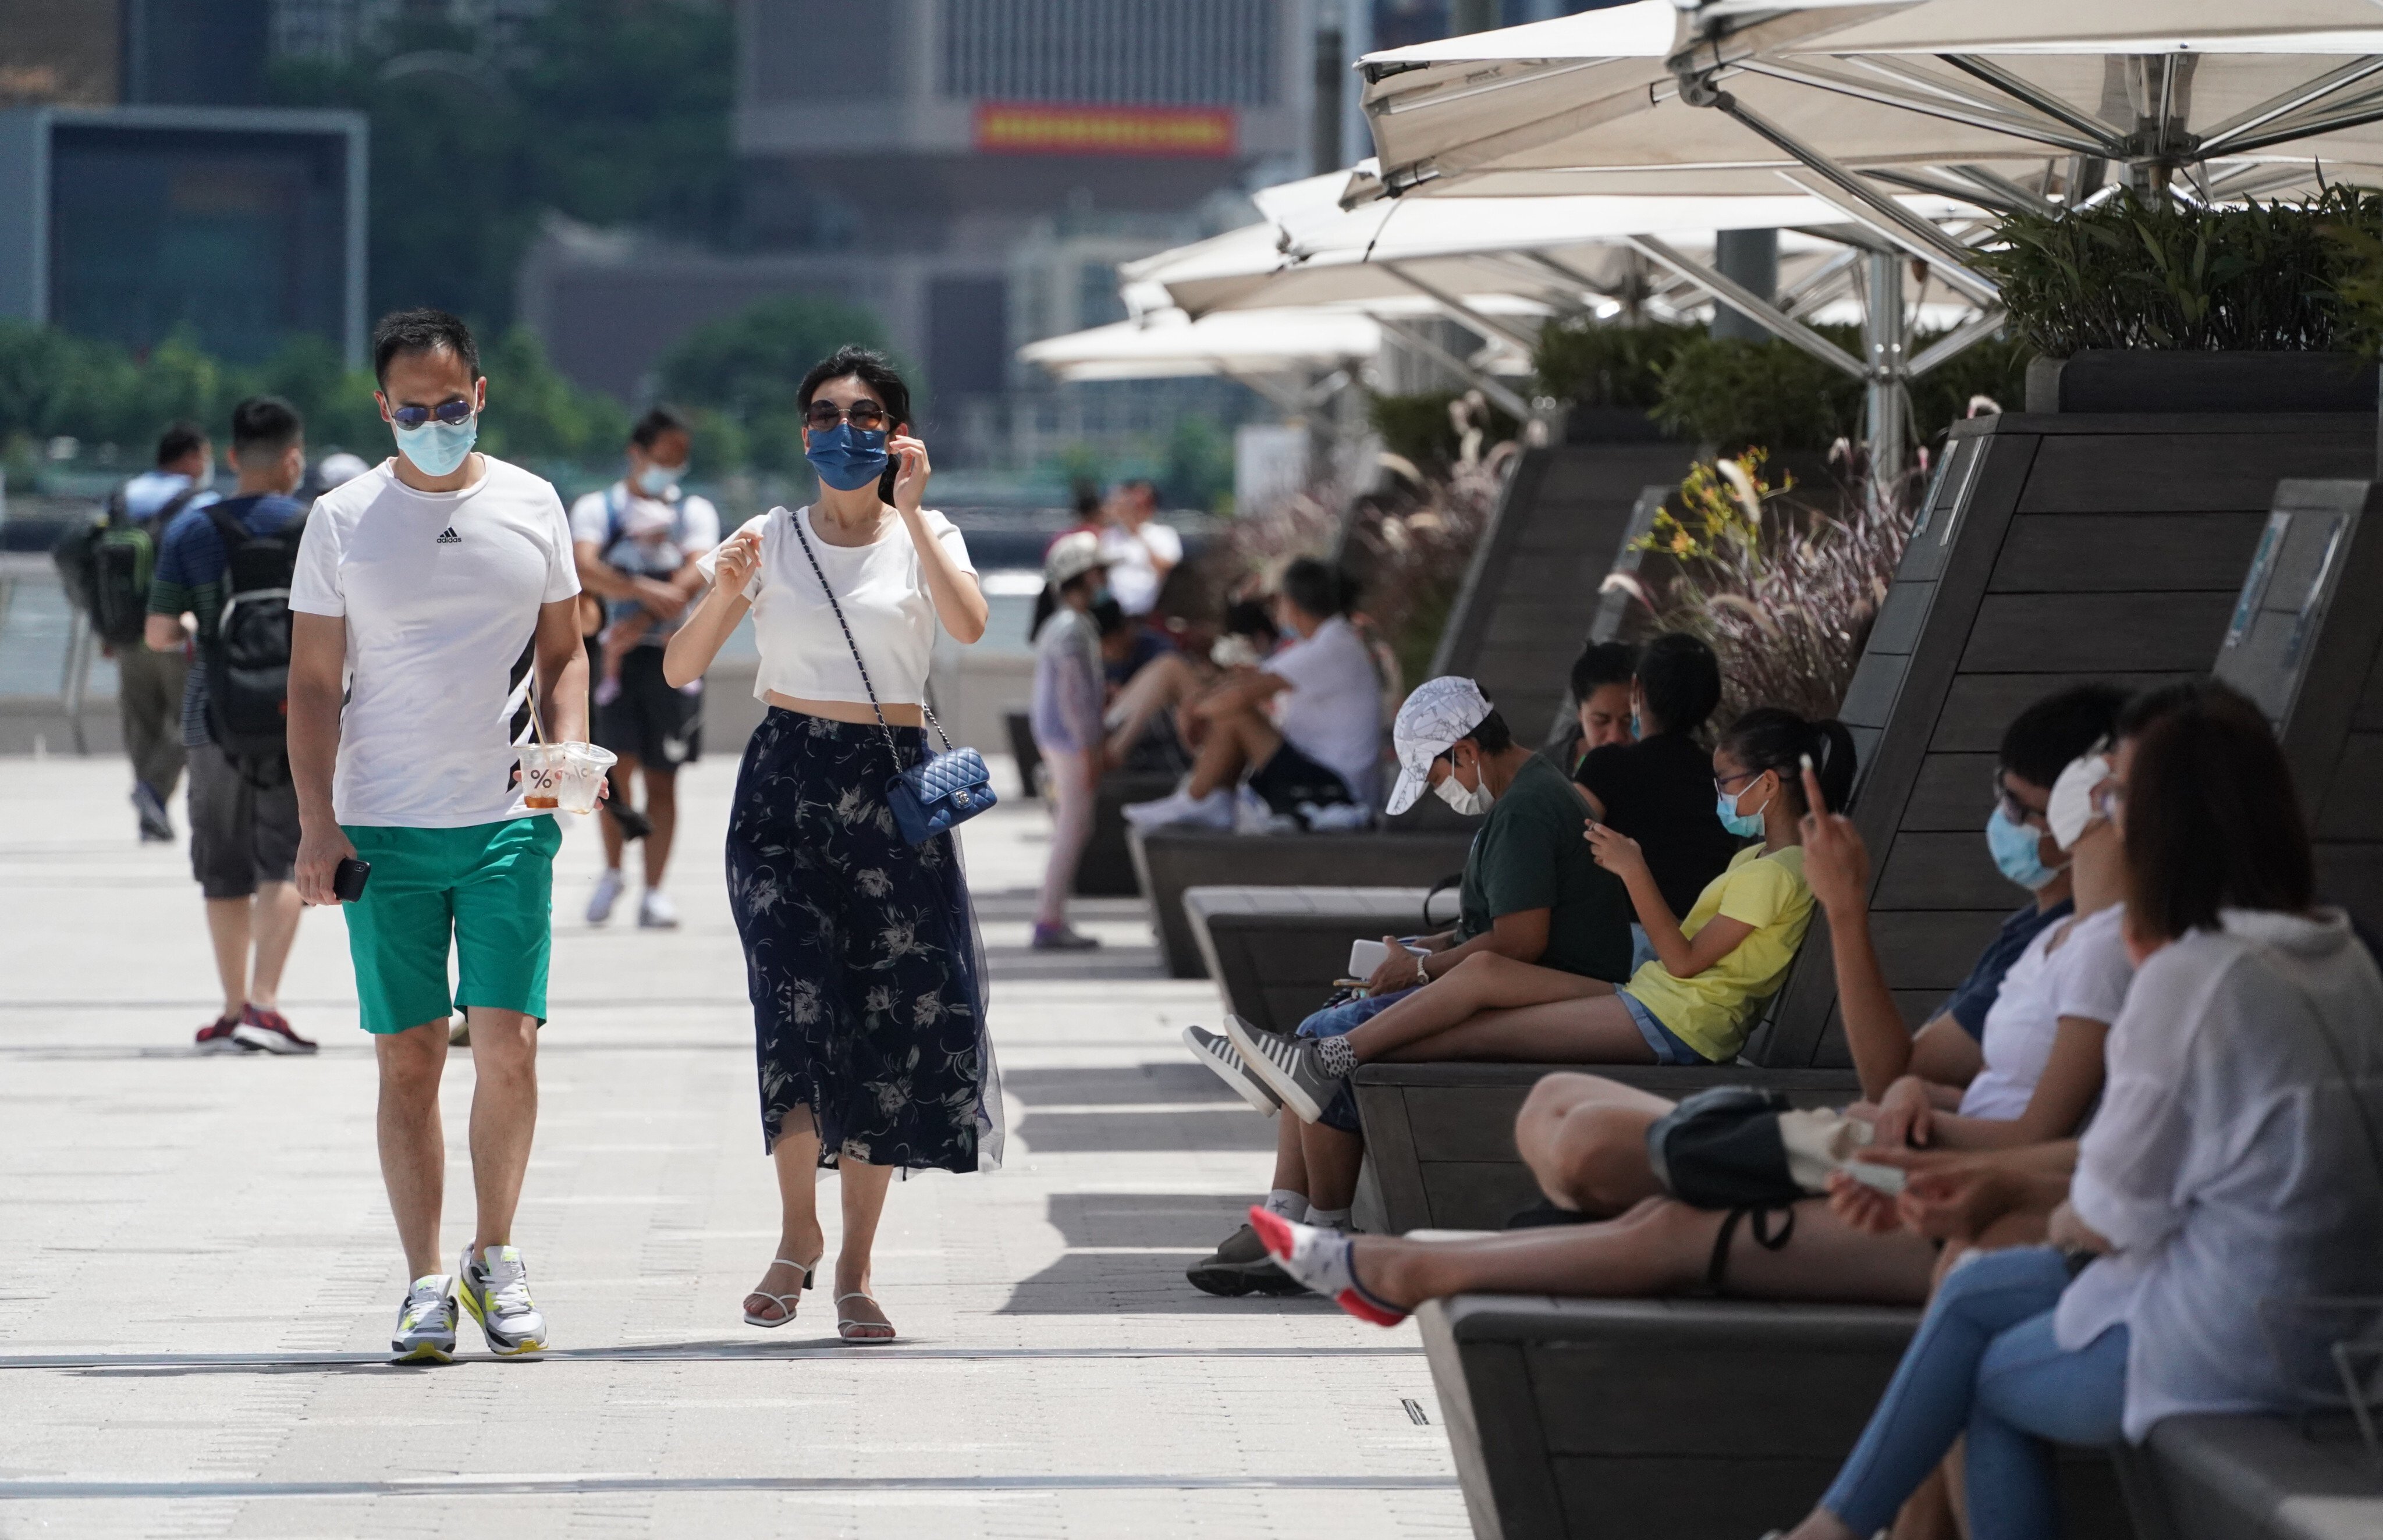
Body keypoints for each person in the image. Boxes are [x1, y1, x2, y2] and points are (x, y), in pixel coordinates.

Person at [1240, 722, 2143, 1331]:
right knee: (1543, 1095)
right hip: (1863, 1131)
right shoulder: (2044, 939)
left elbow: (1681, 963)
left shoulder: (1790, 873)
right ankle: (1340, 1077)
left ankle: (1399, 1234)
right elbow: (1904, 1070)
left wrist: (1650, 871)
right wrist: (1912, 1091)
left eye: (2027, 810)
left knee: (1631, 1174)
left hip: (1698, 1038)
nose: (2012, 827)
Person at [1776, 680, 2383, 1540]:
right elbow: (2128, 1164)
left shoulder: (2191, 978)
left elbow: (2103, 1212)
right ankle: (1827, 1532)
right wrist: (1966, 1180)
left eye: (2114, 794)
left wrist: (1988, 1189)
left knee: (1982, 1378)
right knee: (1975, 1288)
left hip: (2244, 1339)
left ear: (2168, 819)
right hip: (2336, 1322)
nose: (2100, 813)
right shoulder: (2337, 951)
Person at [665, 345, 996, 1345]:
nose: (840, 430)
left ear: (897, 433)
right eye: (823, 413)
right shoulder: (766, 536)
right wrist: (725, 590)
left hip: (892, 795)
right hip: (785, 790)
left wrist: (915, 510)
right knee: (796, 1006)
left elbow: (972, 627)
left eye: (864, 415)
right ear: (801, 429)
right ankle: (796, 1235)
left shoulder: (926, 534)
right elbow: (682, 665)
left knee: (890, 1026)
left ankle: (855, 1268)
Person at [287, 308, 589, 1364]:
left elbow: (565, 651)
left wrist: (569, 750)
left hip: (509, 819)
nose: (432, 422)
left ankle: (493, 1257)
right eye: (411, 410)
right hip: (383, 824)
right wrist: (317, 824)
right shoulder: (342, 517)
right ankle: (423, 1280)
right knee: (408, 1057)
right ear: (382, 408)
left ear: (480, 395)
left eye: (449, 406)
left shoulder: (532, 502)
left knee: (507, 1047)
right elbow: (314, 682)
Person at [1180, 677, 1632, 1294]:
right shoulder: (1525, 795)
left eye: (1437, 776)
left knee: (1326, 1039)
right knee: (1326, 1028)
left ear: (1467, 752)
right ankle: (1286, 1219)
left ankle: (1325, 1231)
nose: (1442, 791)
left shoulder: (1526, 809)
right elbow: (1495, 926)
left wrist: (1420, 969)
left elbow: (1521, 940)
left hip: (1548, 992)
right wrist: (1419, 952)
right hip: (1524, 980)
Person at [1231, 707, 1851, 1125]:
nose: (1717, 792)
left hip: (1676, 1022)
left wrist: (1634, 870)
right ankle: (1312, 1059)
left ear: (1768, 785)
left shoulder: (1777, 873)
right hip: (1653, 998)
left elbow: (1686, 961)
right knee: (1483, 979)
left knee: (1472, 1031)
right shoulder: (1760, 858)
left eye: (1725, 780)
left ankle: (1319, 1061)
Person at [144, 396, 315, 1054]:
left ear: (236, 456)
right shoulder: (314, 528)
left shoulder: (192, 530)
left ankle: (232, 1005)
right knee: (284, 858)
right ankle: (267, 1005)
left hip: (211, 717)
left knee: (223, 866)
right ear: (293, 459)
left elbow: (159, 631)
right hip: (297, 716)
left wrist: (195, 627)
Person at [569, 406, 720, 929]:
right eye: (664, 457)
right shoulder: (598, 508)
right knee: (612, 772)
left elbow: (696, 574)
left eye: (681, 459)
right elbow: (585, 566)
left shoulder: (694, 511)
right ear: (637, 453)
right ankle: (612, 870)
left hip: (670, 660)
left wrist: (644, 610)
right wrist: (639, 594)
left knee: (664, 777)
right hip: (611, 663)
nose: (673, 468)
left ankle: (655, 889)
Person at [1123, 557, 1380, 828]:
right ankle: (1210, 799)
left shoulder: (1330, 647)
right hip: (1326, 776)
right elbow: (1245, 681)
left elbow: (1239, 696)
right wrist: (1196, 702)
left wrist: (1191, 711)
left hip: (1339, 790)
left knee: (1237, 715)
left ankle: (1196, 797)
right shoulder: (1331, 641)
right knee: (1234, 715)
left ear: (1292, 604)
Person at [1573, 632, 1739, 927]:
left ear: (1636, 690)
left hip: (1620, 948)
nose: (1614, 735)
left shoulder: (1607, 767)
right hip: (1701, 943)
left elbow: (1556, 851)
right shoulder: (1725, 782)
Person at [114, 422, 219, 841]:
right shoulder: (200, 502)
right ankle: (152, 793)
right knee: (189, 720)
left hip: (124, 633)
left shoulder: (124, 496)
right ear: (192, 457)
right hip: (178, 631)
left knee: (142, 725)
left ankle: (150, 812)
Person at [1028, 531, 1112, 952]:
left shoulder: (1067, 625)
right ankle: (1049, 919)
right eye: (1098, 571)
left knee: (1071, 828)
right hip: (1070, 745)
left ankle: (1052, 916)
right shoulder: (1071, 629)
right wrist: (1090, 748)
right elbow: (1075, 700)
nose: (1104, 579)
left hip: (1061, 742)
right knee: (1071, 829)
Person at [1097, 478, 1180, 618]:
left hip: (1151, 615)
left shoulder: (1164, 534)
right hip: (1115, 615)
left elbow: (1166, 570)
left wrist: (1137, 533)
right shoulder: (1108, 537)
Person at [1560, 641, 1637, 766]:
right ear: (1580, 715)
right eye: (1600, 721)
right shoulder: (1547, 775)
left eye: (1630, 721)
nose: (1616, 737)